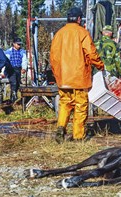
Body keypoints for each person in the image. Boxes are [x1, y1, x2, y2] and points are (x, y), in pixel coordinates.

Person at [50, 7, 104, 143]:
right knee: (80, 105)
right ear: (79, 19)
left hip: (63, 78)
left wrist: (58, 75)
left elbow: (53, 58)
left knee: (65, 103)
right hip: (79, 77)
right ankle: (78, 136)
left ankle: (61, 127)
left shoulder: (59, 34)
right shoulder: (82, 33)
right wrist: (100, 65)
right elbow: (91, 53)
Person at [5, 37, 27, 103]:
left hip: (18, 68)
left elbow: (24, 61)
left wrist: (24, 68)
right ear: (14, 44)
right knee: (13, 82)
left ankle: (14, 95)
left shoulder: (22, 52)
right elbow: (5, 61)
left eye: (20, 44)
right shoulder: (8, 52)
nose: (19, 45)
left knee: (17, 82)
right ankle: (13, 96)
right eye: (18, 44)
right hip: (11, 69)